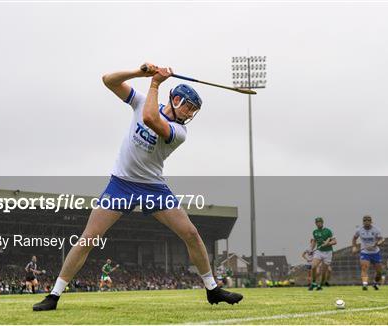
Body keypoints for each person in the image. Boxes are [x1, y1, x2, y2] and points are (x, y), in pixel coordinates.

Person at [33, 63, 243, 311]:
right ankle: (54, 295)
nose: (189, 113)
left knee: (191, 234)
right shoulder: (142, 100)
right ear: (175, 99)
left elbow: (150, 118)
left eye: (194, 111)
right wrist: (139, 73)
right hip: (120, 184)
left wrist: (154, 83)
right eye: (188, 107)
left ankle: (212, 289)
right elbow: (108, 80)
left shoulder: (179, 131)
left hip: (153, 188)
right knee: (89, 238)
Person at [352, 215, 384, 290]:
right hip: (365, 252)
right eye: (365, 220)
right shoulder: (359, 230)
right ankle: (365, 284)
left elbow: (381, 239)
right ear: (363, 222)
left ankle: (375, 283)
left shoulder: (376, 229)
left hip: (375, 252)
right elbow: (354, 239)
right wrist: (354, 247)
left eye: (368, 220)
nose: (366, 222)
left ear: (371, 221)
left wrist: (379, 242)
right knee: (364, 267)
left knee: (379, 272)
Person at [310, 217, 337, 291]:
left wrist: (327, 243)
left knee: (324, 271)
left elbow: (334, 241)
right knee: (313, 266)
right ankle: (313, 282)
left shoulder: (328, 231)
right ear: (315, 223)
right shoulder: (315, 232)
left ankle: (320, 285)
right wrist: (311, 249)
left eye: (320, 222)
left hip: (328, 252)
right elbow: (314, 241)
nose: (318, 223)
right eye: (317, 222)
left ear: (322, 222)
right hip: (319, 251)